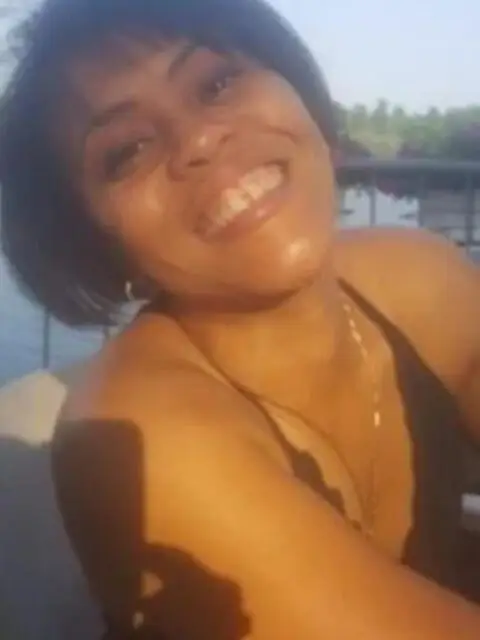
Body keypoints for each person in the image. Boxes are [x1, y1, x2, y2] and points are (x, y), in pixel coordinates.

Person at [1, 0, 480, 637]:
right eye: (129, 150)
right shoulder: (143, 440)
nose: (200, 140)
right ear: (96, 246)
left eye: (218, 83)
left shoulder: (426, 278)